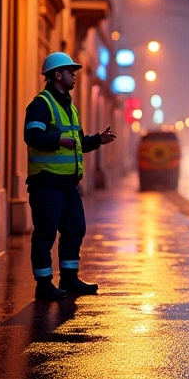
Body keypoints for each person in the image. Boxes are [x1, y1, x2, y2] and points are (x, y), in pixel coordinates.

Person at [24, 52, 116, 301]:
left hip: (67, 184)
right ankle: (43, 284)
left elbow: (77, 144)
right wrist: (57, 139)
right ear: (57, 75)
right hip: (47, 182)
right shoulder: (41, 104)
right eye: (70, 72)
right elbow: (32, 136)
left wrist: (98, 140)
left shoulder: (69, 107)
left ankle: (69, 278)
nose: (74, 76)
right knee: (45, 233)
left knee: (75, 229)